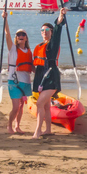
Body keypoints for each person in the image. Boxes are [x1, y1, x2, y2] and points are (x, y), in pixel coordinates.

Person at [31, 7, 67, 139]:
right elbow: (35, 65)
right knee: (45, 105)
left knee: (39, 103)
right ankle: (48, 130)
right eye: (42, 30)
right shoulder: (39, 46)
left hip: (51, 76)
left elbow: (58, 31)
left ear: (51, 32)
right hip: (41, 78)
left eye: (47, 30)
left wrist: (60, 17)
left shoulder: (52, 44)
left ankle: (37, 131)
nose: (44, 32)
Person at [2, 12, 33, 134]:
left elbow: (32, 66)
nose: (21, 36)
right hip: (14, 81)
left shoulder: (29, 51)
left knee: (21, 106)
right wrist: (5, 19)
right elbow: (7, 34)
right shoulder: (13, 49)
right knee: (15, 107)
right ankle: (9, 125)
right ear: (16, 37)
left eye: (23, 34)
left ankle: (17, 126)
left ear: (26, 37)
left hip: (25, 81)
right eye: (18, 34)